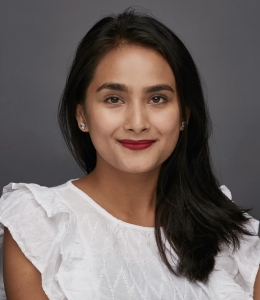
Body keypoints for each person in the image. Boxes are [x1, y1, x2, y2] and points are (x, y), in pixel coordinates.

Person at [0, 7, 259, 300]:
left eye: (157, 99)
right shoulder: (37, 224)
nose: (137, 123)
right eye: (114, 99)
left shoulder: (229, 231)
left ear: (184, 114)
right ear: (81, 114)